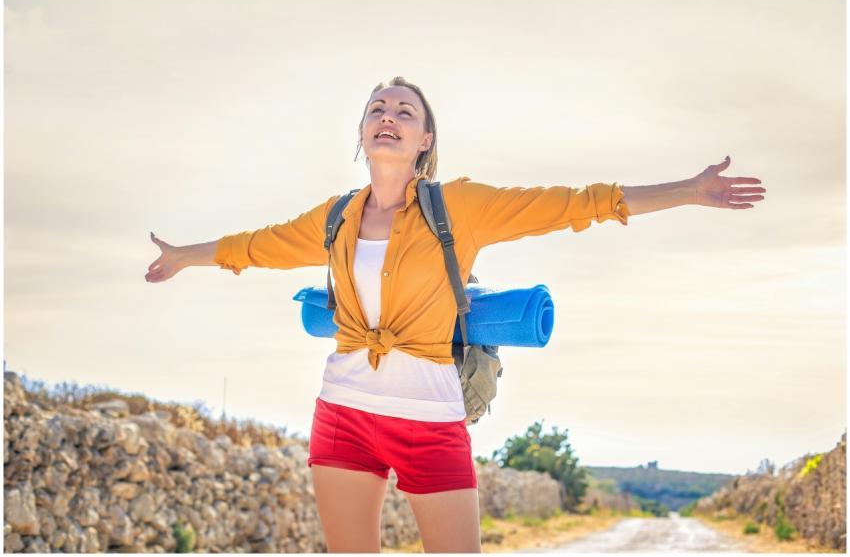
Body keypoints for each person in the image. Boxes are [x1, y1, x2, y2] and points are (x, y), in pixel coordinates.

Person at [145, 76, 766, 552]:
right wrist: (183, 257)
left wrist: (687, 190)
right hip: (343, 415)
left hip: (430, 419)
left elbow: (578, 204)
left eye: (404, 112)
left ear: (425, 139)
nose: (388, 118)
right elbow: (253, 246)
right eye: (377, 110)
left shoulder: (461, 206)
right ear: (362, 132)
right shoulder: (334, 217)